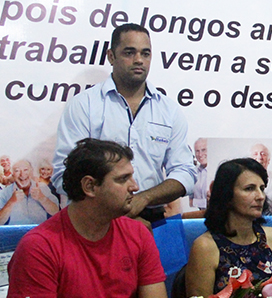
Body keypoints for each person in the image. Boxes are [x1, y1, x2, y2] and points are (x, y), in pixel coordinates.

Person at [6, 139, 168, 298]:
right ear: (90, 186)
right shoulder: (38, 247)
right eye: (123, 179)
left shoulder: (138, 234)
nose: (135, 186)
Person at [52, 23, 196, 225]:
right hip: (98, 218)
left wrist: (143, 198)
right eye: (130, 52)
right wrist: (122, 216)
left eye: (145, 54)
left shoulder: (169, 110)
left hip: (153, 219)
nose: (139, 60)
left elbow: (186, 172)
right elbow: (64, 174)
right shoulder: (85, 105)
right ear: (111, 56)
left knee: (171, 257)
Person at [186, 158, 272, 297]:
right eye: (249, 188)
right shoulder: (205, 247)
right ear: (227, 194)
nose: (260, 196)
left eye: (262, 188)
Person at [0, 159, 60, 225]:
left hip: (39, 233)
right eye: (17, 171)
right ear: (12, 174)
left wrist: (42, 198)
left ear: (31, 171)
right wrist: (11, 202)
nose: (22, 174)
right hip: (16, 234)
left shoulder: (42, 187)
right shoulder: (4, 193)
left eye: (25, 170)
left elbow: (56, 212)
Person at [190, 138, 208, 210]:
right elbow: (189, 201)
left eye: (203, 150)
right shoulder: (194, 173)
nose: (200, 154)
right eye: (197, 151)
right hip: (200, 215)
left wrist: (195, 202)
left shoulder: (217, 171)